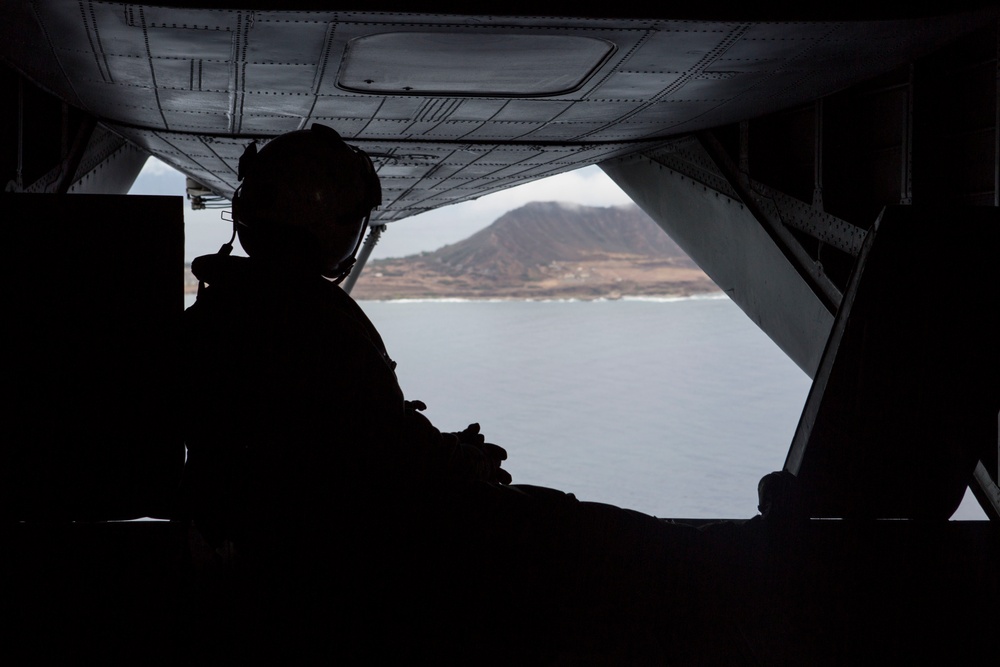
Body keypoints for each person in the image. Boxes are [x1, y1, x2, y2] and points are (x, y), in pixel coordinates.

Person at [181, 124, 743, 664]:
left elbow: (339, 437)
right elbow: (372, 454)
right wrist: (460, 461)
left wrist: (442, 452)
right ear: (328, 220)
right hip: (362, 558)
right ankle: (746, 577)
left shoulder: (222, 311)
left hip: (301, 554)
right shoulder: (309, 316)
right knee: (580, 533)